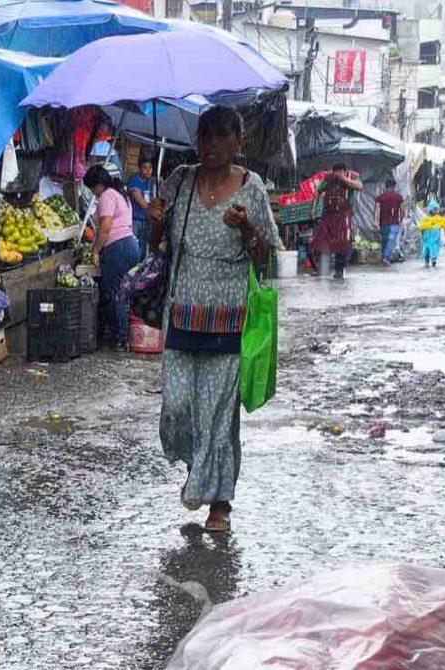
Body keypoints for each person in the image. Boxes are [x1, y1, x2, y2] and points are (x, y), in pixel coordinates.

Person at [146, 107, 282, 533]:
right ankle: (198, 471)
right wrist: (155, 223)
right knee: (177, 408)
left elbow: (265, 257)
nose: (212, 145)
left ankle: (219, 503)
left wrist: (246, 230)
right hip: (182, 313)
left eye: (222, 137)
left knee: (219, 415)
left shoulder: (251, 188)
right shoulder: (180, 180)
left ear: (238, 142)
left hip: (228, 318)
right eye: (205, 136)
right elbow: (157, 247)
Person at [85, 165, 140, 351]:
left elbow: (106, 227)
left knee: (116, 294)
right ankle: (121, 335)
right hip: (131, 245)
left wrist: (95, 251)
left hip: (118, 248)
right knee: (123, 292)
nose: (93, 193)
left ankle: (119, 339)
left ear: (96, 185)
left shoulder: (107, 196)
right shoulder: (120, 194)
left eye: (92, 188)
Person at [310, 163, 363, 279]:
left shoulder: (352, 177)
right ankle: (322, 269)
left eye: (340, 173)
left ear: (345, 171)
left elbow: (359, 186)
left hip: (343, 217)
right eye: (336, 173)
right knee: (322, 242)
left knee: (342, 243)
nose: (337, 176)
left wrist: (344, 178)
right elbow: (318, 191)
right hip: (328, 216)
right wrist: (313, 209)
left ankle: (339, 270)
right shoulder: (329, 179)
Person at [128, 158, 156, 258]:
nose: (148, 170)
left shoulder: (152, 181)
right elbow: (138, 198)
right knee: (133, 248)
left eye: (150, 168)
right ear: (140, 169)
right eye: (145, 168)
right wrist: (152, 211)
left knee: (143, 249)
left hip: (146, 220)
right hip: (135, 220)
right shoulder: (135, 180)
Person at [374, 179, 405, 266]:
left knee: (385, 240)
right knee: (391, 240)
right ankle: (386, 257)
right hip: (394, 222)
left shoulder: (380, 197)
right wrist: (401, 219)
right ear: (394, 186)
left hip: (383, 223)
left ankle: (384, 257)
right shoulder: (398, 197)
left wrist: (376, 221)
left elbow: (377, 209)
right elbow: (403, 210)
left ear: (385, 186)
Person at [418, 201, 445, 268]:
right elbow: (421, 228)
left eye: (437, 209)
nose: (436, 211)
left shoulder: (439, 219)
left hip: (435, 240)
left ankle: (433, 263)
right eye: (434, 209)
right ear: (430, 209)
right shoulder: (425, 219)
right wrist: (422, 237)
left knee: (434, 251)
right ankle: (427, 262)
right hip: (427, 239)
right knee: (426, 251)